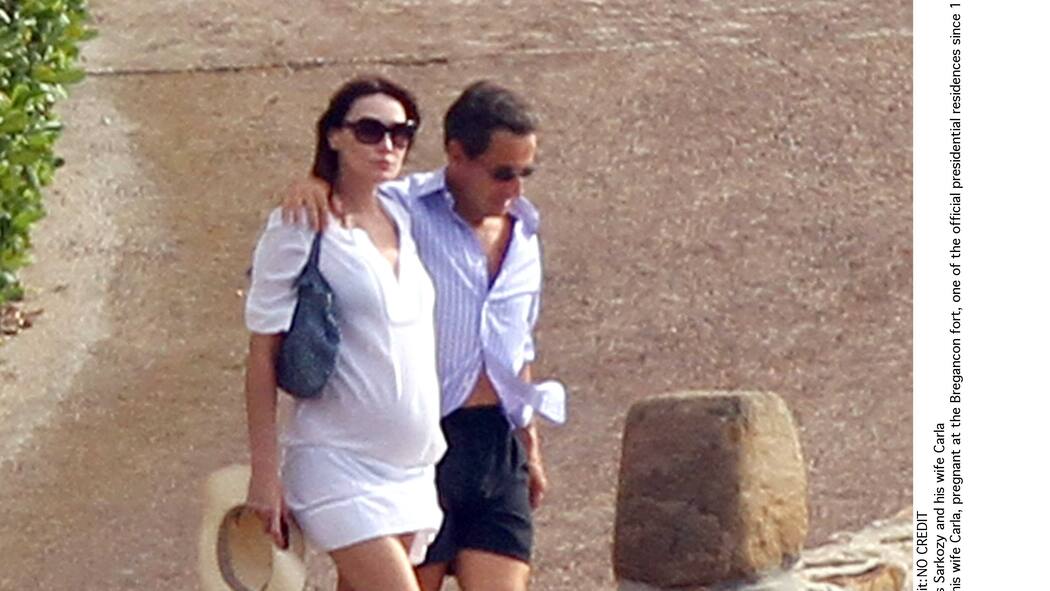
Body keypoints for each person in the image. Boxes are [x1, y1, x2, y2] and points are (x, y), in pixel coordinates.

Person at [282, 80, 567, 591]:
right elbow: (348, 194)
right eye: (502, 173)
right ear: (457, 154)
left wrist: (530, 448)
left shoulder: (524, 234)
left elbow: (517, 345)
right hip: (419, 445)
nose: (515, 190)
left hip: (497, 447)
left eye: (524, 174)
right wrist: (313, 185)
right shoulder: (401, 209)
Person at [244, 76, 446, 591]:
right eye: (370, 131)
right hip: (336, 460)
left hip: (411, 469)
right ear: (334, 135)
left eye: (401, 133)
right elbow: (262, 353)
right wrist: (265, 474)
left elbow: (471, 181)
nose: (387, 145)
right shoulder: (300, 223)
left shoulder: (404, 211)